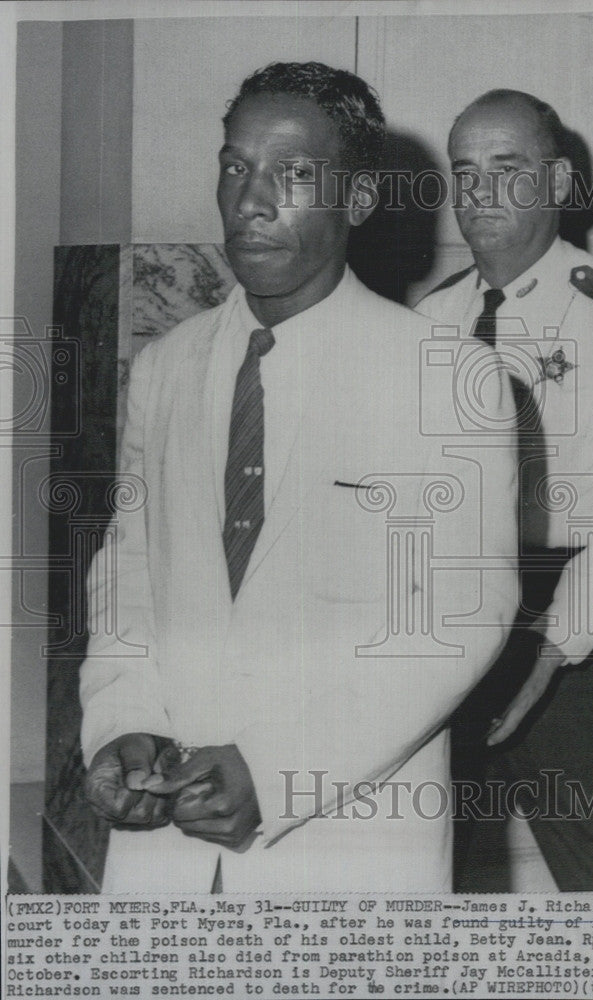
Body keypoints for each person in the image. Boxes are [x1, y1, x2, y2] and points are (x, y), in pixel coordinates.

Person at [79, 63, 518, 892]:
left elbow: (462, 616)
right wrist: (124, 722)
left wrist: (281, 772)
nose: (251, 200)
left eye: (294, 174)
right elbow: (130, 572)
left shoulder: (444, 375)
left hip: (349, 835)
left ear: (357, 201)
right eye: (236, 166)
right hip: (163, 855)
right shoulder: (168, 367)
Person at [416, 89, 593, 891]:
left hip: (580, 637)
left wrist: (548, 650)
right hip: (455, 628)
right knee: (439, 876)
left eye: (509, 169)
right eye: (465, 173)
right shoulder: (430, 320)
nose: (481, 195)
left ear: (561, 182)